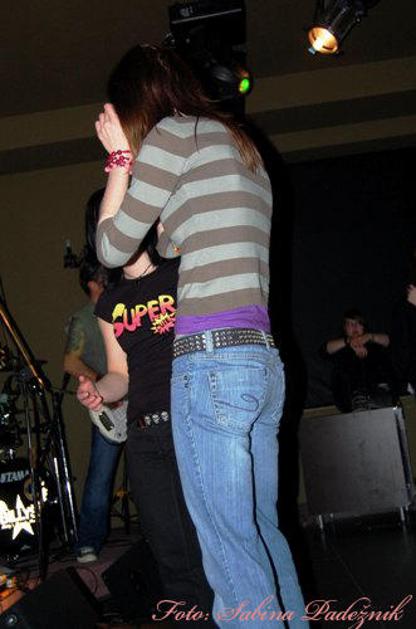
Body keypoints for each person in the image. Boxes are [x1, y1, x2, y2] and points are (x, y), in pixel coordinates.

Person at [93, 44, 307, 628]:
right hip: (262, 364)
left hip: (211, 362)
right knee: (260, 532)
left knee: (228, 551)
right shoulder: (239, 142)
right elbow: (170, 242)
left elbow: (111, 247)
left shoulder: (171, 135)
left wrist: (119, 160)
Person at [77, 214, 214, 623]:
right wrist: (99, 390)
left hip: (194, 423)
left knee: (213, 547)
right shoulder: (109, 302)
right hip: (145, 438)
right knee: (171, 556)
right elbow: (120, 375)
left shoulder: (181, 272)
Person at [64, 257, 121, 563]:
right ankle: (87, 541)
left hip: (139, 401)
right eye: (102, 280)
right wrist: (103, 386)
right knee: (100, 474)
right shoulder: (83, 318)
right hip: (107, 406)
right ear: (91, 284)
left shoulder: (124, 307)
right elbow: (70, 362)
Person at [324, 308, 392, 412]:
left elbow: (391, 342)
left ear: (364, 327)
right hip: (349, 398)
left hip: (378, 393)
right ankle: (360, 400)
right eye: (350, 324)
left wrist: (370, 337)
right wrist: (349, 342)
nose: (354, 327)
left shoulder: (374, 345)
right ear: (344, 328)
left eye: (358, 323)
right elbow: (324, 350)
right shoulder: (341, 347)